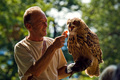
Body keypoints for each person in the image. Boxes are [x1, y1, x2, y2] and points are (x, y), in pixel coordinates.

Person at [14, 6, 91, 80]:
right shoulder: (21, 47)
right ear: (29, 26)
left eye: (46, 21)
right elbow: (36, 71)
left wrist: (74, 67)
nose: (46, 25)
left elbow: (57, 74)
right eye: (41, 22)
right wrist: (53, 47)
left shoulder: (52, 42)